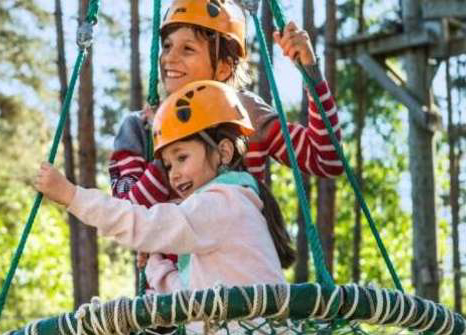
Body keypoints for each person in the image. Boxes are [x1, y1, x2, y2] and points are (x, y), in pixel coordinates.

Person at [38, 81, 309, 335]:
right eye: (167, 165)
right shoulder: (221, 214)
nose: (174, 173)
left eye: (182, 158)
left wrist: (72, 196)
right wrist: (155, 264)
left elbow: (142, 222)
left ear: (223, 152)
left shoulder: (222, 202)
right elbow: (187, 297)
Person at [110, 0, 343, 209]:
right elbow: (124, 214)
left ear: (223, 67)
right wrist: (166, 148)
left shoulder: (247, 114)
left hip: (240, 242)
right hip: (173, 246)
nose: (169, 58)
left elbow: (327, 160)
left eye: (187, 49)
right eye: (168, 46)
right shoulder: (139, 128)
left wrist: (311, 73)